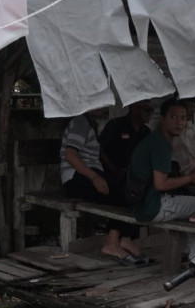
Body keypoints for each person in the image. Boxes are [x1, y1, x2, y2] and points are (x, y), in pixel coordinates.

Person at [59, 108, 145, 265]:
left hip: (88, 174)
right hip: (76, 178)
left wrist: (113, 172)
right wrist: (95, 177)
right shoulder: (80, 122)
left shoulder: (90, 124)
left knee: (128, 192)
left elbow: (98, 156)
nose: (105, 107)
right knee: (122, 195)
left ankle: (124, 239)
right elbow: (70, 155)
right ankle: (112, 243)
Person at [126, 99, 195, 228]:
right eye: (173, 117)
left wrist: (194, 178)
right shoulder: (161, 144)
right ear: (162, 119)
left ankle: (190, 248)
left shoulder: (157, 140)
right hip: (153, 206)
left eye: (183, 118)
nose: (179, 122)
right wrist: (190, 177)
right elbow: (160, 184)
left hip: (143, 203)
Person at [99, 100, 153, 181]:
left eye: (152, 110)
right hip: (111, 178)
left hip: (135, 179)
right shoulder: (116, 125)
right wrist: (114, 170)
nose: (150, 113)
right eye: (147, 110)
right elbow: (99, 149)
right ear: (134, 109)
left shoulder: (146, 131)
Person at [172, 98, 195, 174]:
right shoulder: (173, 132)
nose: (193, 110)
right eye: (190, 106)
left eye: (194, 107)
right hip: (187, 171)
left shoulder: (193, 128)